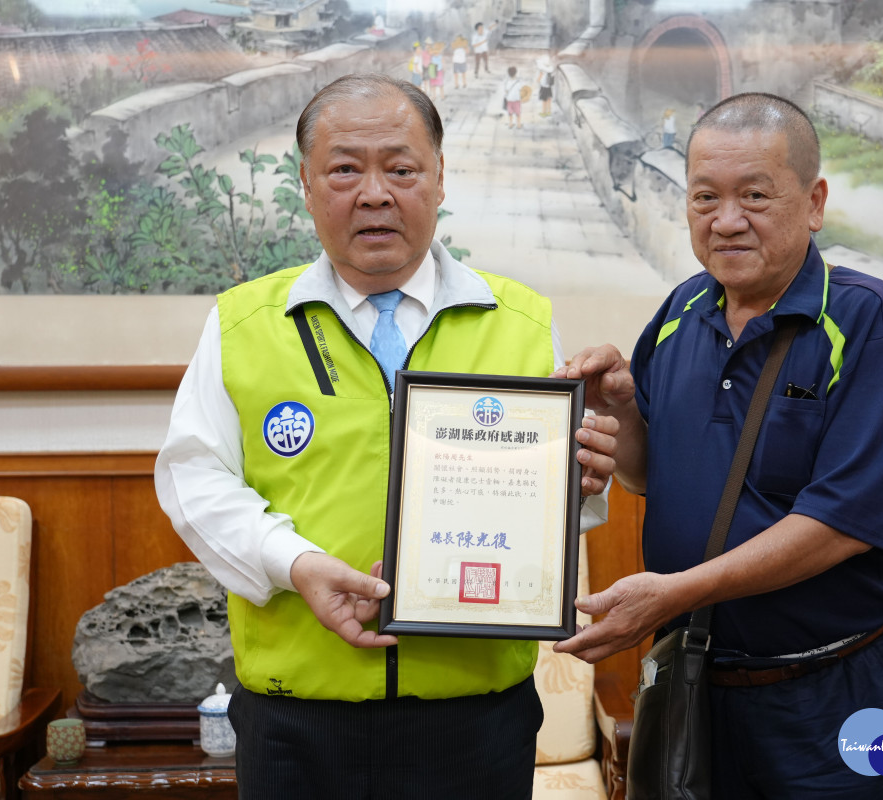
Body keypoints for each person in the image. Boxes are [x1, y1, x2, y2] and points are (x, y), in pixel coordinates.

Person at [155, 73, 618, 800]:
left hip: (474, 719)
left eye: (401, 169)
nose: (374, 193)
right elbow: (195, 480)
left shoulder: (520, 320)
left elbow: (565, 508)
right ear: (306, 186)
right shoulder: (243, 324)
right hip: (296, 719)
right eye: (344, 169)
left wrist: (582, 481)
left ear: (438, 182)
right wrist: (295, 561)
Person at [553, 92, 883, 799]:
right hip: (702, 687)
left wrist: (669, 596)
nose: (726, 220)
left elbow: (840, 526)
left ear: (814, 202)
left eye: (755, 195)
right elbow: (649, 476)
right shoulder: (680, 313)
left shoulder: (869, 321)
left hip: (841, 689)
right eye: (705, 197)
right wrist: (623, 411)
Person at [503, 65, 523, 129]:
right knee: (518, 113)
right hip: (517, 99)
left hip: (509, 100)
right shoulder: (518, 82)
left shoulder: (507, 82)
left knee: (510, 113)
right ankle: (518, 124)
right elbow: (521, 89)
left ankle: (510, 124)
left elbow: (506, 90)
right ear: (515, 73)